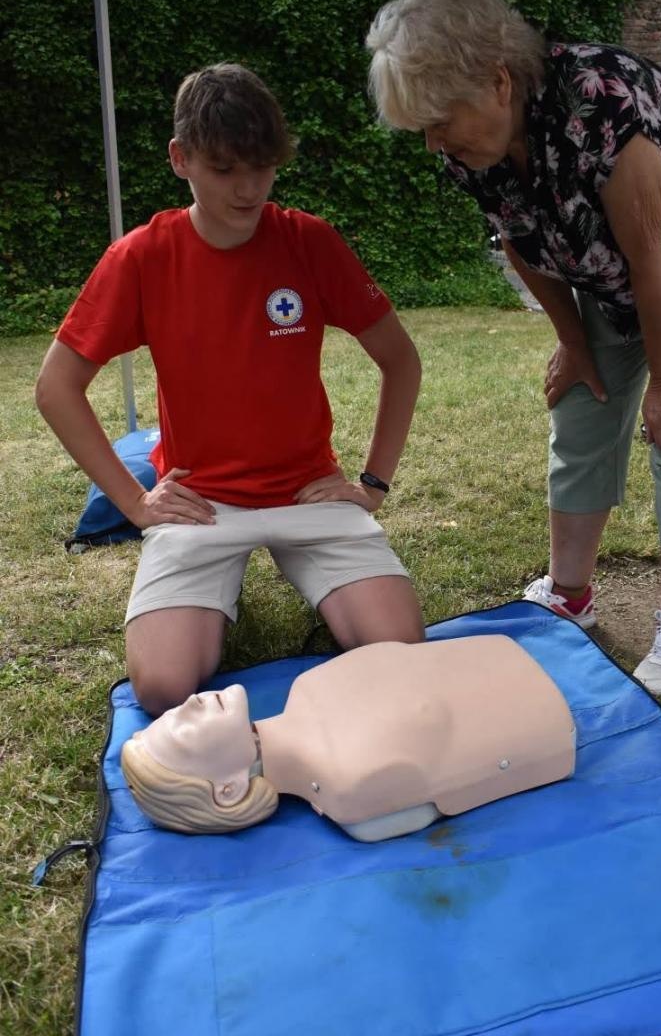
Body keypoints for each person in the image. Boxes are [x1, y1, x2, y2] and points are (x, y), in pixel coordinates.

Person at [366, 0, 661, 695]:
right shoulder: (474, 147)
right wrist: (575, 342)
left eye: (439, 121)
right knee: (581, 406)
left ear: (498, 82)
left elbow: (653, 259)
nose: (432, 142)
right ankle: (569, 594)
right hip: (615, 269)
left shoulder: (600, 104)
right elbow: (520, 238)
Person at [36, 62, 424, 716]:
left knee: (400, 651)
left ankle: (266, 581)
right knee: (161, 688)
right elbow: (56, 387)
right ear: (180, 159)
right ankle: (219, 587)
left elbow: (401, 361)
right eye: (224, 170)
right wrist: (134, 502)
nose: (247, 190)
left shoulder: (308, 241)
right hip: (201, 502)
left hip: (308, 489)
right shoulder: (141, 257)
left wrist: (372, 485)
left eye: (263, 167)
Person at [120, 634, 576, 839]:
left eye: (172, 713)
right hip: (546, 720)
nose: (189, 704)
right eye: (181, 733)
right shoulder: (351, 786)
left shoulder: (308, 689)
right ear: (229, 789)